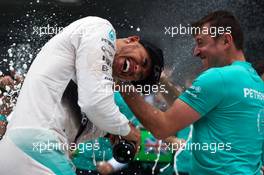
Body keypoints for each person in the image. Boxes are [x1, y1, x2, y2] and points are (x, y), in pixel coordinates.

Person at [0, 16, 164, 175]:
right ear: (132, 39)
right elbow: (94, 104)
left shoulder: (91, 79)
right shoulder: (100, 28)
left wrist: (107, 131)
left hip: (23, 151)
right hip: (36, 149)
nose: (137, 70)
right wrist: (129, 131)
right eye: (143, 61)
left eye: (139, 77)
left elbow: (75, 123)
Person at [121, 11, 264, 174]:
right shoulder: (256, 81)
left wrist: (123, 83)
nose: (196, 51)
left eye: (200, 42)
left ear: (226, 40)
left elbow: (162, 128)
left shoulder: (218, 77)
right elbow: (191, 109)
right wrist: (162, 80)